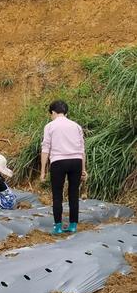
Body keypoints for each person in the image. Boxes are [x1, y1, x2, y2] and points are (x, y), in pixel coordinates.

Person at [39, 100, 87, 234]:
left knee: (57, 195)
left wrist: (43, 171)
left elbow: (45, 149)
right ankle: (73, 225)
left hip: (59, 162)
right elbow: (82, 149)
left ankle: (58, 227)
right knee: (73, 193)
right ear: (66, 112)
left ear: (53, 112)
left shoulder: (50, 126)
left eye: (51, 114)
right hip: (76, 161)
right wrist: (83, 169)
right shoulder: (76, 126)